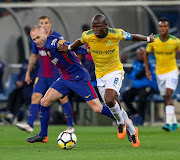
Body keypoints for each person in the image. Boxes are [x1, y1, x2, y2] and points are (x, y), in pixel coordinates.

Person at [58, 14, 155, 147]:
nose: (95, 29)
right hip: (100, 75)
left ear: (105, 26)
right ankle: (132, 131)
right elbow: (79, 41)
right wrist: (68, 48)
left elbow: (132, 36)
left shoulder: (115, 34)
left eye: (98, 26)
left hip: (115, 71)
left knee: (109, 99)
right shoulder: (89, 35)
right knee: (113, 103)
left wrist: (148, 39)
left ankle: (120, 123)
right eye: (94, 27)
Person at [26, 26, 118, 145]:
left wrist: (86, 51)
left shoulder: (54, 42)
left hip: (79, 77)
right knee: (44, 101)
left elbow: (69, 45)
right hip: (65, 78)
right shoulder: (45, 46)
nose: (37, 41)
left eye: (38, 37)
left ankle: (122, 118)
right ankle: (43, 135)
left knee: (97, 108)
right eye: (34, 39)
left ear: (45, 33)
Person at [16, 16, 74, 133]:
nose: (44, 25)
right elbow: (33, 57)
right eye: (41, 23)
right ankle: (30, 125)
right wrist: (27, 73)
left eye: (46, 22)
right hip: (42, 75)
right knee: (35, 97)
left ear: (50, 24)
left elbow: (66, 52)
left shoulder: (57, 37)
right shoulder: (36, 39)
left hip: (56, 75)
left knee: (63, 98)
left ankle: (70, 125)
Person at [144, 18, 180, 132]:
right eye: (161, 27)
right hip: (159, 73)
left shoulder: (175, 41)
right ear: (158, 28)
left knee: (169, 94)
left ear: (168, 28)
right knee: (166, 97)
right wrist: (147, 69)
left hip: (172, 71)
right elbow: (146, 54)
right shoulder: (154, 40)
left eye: (165, 26)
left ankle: (168, 123)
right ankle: (174, 122)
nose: (163, 28)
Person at [122, 47, 158, 125]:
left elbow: (138, 75)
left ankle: (141, 117)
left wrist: (133, 75)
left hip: (149, 87)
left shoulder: (147, 64)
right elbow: (130, 73)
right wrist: (133, 75)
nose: (141, 56)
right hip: (137, 87)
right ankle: (135, 113)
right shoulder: (135, 63)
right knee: (125, 95)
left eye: (142, 54)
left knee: (142, 97)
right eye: (139, 54)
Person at [0, 60, 38, 124]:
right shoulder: (26, 63)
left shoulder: (38, 65)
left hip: (30, 88)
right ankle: (9, 113)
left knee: (19, 98)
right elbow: (20, 75)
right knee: (12, 95)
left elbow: (35, 77)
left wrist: (23, 82)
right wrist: (18, 81)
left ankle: (14, 116)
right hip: (21, 87)